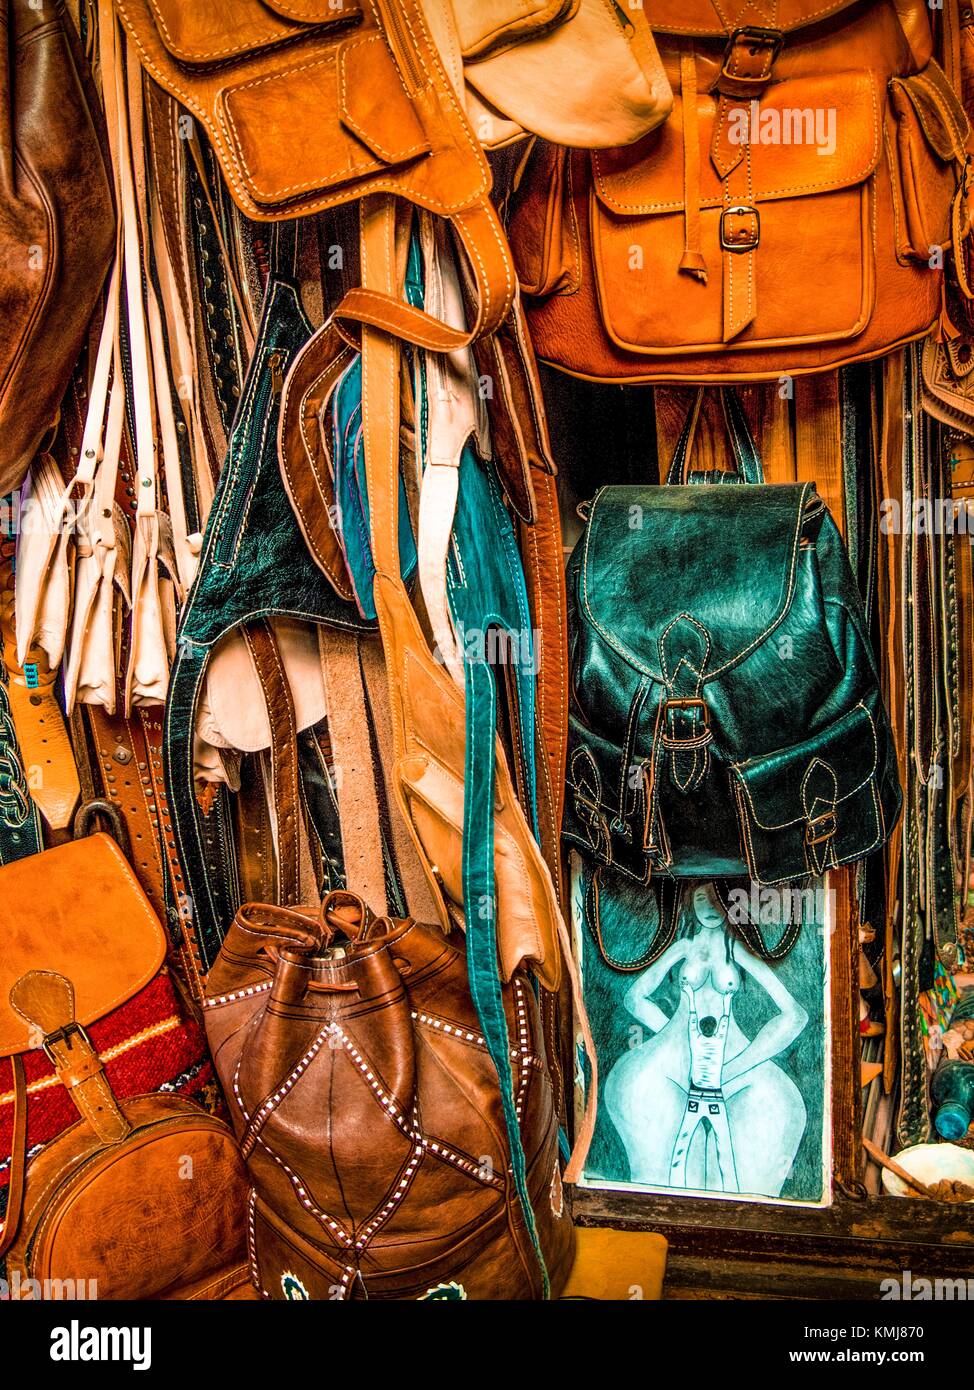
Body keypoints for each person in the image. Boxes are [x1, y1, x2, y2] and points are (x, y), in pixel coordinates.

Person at [605, 881, 809, 1196]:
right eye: (702, 898)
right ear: (690, 902)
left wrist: (737, 1066)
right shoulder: (682, 948)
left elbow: (794, 1015)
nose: (711, 907)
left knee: (731, 1179)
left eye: (718, 898)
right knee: (667, 1177)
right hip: (675, 1069)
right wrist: (671, 1036)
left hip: (731, 1071)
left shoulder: (736, 950)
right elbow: (635, 998)